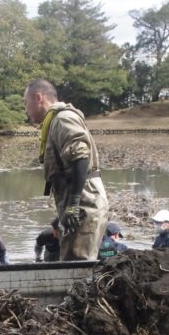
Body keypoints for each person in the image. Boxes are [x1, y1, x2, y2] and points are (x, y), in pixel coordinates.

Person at [23, 79, 108, 261]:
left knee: (77, 264)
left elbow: (81, 156)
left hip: (84, 202)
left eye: (26, 103)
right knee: (70, 260)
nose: (26, 110)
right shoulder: (55, 122)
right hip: (77, 201)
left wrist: (74, 204)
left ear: (38, 98)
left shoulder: (62, 119)